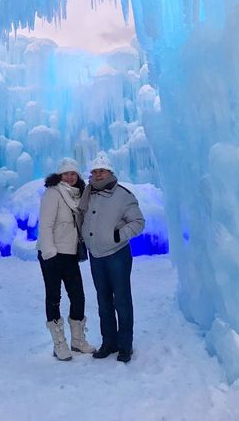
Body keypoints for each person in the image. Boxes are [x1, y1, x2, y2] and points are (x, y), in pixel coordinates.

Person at [79, 152, 145, 363]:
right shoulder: (88, 193)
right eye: (95, 171)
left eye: (102, 171)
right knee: (103, 300)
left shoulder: (123, 195)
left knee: (122, 300)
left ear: (110, 172)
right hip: (96, 256)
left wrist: (118, 235)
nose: (98, 175)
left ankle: (125, 346)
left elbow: (138, 222)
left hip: (117, 255)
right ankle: (109, 342)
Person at [37, 157, 96, 361]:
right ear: (59, 175)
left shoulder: (79, 195)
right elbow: (45, 225)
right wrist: (49, 252)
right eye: (66, 173)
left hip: (70, 254)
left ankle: (78, 340)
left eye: (73, 174)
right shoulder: (53, 193)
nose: (70, 177)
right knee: (54, 297)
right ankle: (59, 343)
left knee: (77, 296)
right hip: (52, 254)